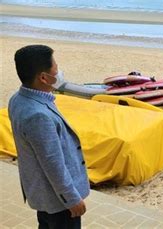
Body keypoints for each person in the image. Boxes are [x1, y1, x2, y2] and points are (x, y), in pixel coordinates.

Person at [9, 45, 90, 228]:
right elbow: (53, 163)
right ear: (44, 78)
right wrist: (71, 199)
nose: (59, 72)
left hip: (44, 195)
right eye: (56, 68)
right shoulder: (38, 116)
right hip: (57, 201)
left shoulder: (18, 98)